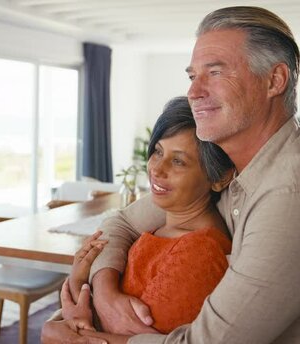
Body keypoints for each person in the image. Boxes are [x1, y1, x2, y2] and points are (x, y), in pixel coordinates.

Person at [43, 6, 300, 344]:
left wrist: (80, 338)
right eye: (193, 76)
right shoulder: (230, 168)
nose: (193, 92)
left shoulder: (297, 196)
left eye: (215, 73)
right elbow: (122, 223)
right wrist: (106, 292)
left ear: (274, 81)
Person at [65, 96, 234, 335]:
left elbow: (134, 336)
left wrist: (66, 327)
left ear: (219, 178)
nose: (156, 169)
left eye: (178, 161)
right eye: (157, 151)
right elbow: (119, 221)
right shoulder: (165, 226)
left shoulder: (199, 253)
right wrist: (80, 285)